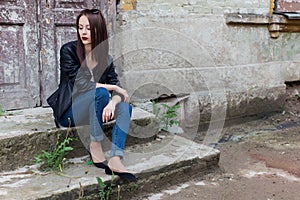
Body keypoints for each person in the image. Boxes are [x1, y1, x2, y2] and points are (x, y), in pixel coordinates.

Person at [47, 8, 136, 181]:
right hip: (70, 111)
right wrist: (112, 89)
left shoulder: (106, 59)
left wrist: (112, 103)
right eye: (80, 28)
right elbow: (81, 83)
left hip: (96, 109)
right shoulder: (68, 51)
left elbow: (117, 88)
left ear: (99, 29)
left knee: (124, 106)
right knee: (101, 92)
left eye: (88, 28)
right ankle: (95, 144)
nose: (84, 32)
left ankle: (116, 159)